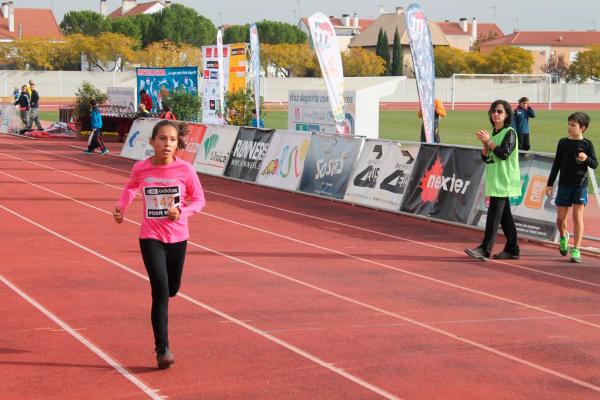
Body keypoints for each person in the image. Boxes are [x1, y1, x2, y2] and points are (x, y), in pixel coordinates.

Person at [113, 120, 206, 369]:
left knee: (172, 289)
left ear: (178, 145)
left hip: (178, 238)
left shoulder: (186, 170)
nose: (167, 144)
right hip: (150, 238)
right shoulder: (141, 168)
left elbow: (199, 200)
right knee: (160, 292)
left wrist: (181, 212)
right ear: (152, 142)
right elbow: (131, 187)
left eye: (172, 140)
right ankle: (162, 348)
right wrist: (121, 208)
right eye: (162, 139)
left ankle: (163, 336)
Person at [465, 100, 521, 261]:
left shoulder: (510, 132)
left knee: (493, 216)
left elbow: (504, 153)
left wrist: (489, 142)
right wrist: (485, 144)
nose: (495, 114)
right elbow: (486, 157)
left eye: (499, 111)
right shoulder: (493, 133)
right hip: (495, 179)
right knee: (505, 217)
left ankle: (485, 249)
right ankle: (513, 248)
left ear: (507, 115)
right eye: (493, 111)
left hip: (504, 180)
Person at [546, 112, 597, 263]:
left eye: (573, 125)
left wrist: (586, 158)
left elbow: (595, 164)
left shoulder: (587, 144)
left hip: (580, 185)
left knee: (577, 216)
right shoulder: (562, 143)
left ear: (583, 128)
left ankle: (576, 249)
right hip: (564, 185)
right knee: (560, 219)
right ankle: (563, 236)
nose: (569, 127)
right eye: (569, 124)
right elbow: (556, 164)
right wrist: (549, 183)